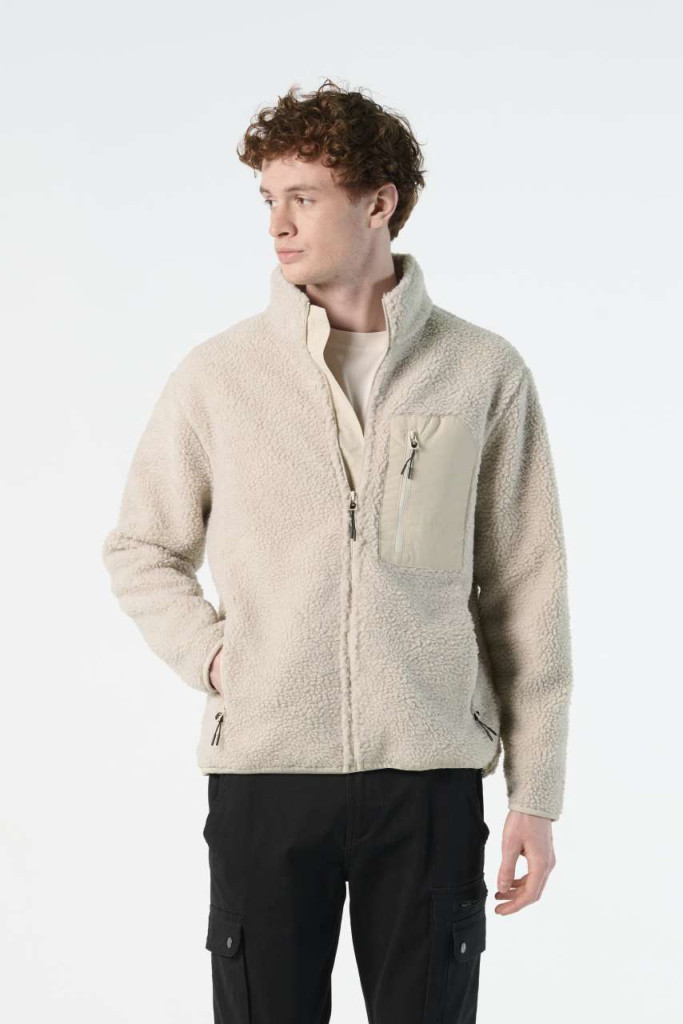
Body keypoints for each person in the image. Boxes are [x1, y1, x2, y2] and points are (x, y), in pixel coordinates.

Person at [102, 79, 573, 1024]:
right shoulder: (221, 376)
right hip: (266, 778)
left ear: (377, 203)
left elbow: (526, 588)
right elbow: (142, 547)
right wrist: (218, 657)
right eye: (267, 199)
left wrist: (537, 793)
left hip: (428, 778)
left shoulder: (480, 372)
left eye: (303, 197)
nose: (278, 224)